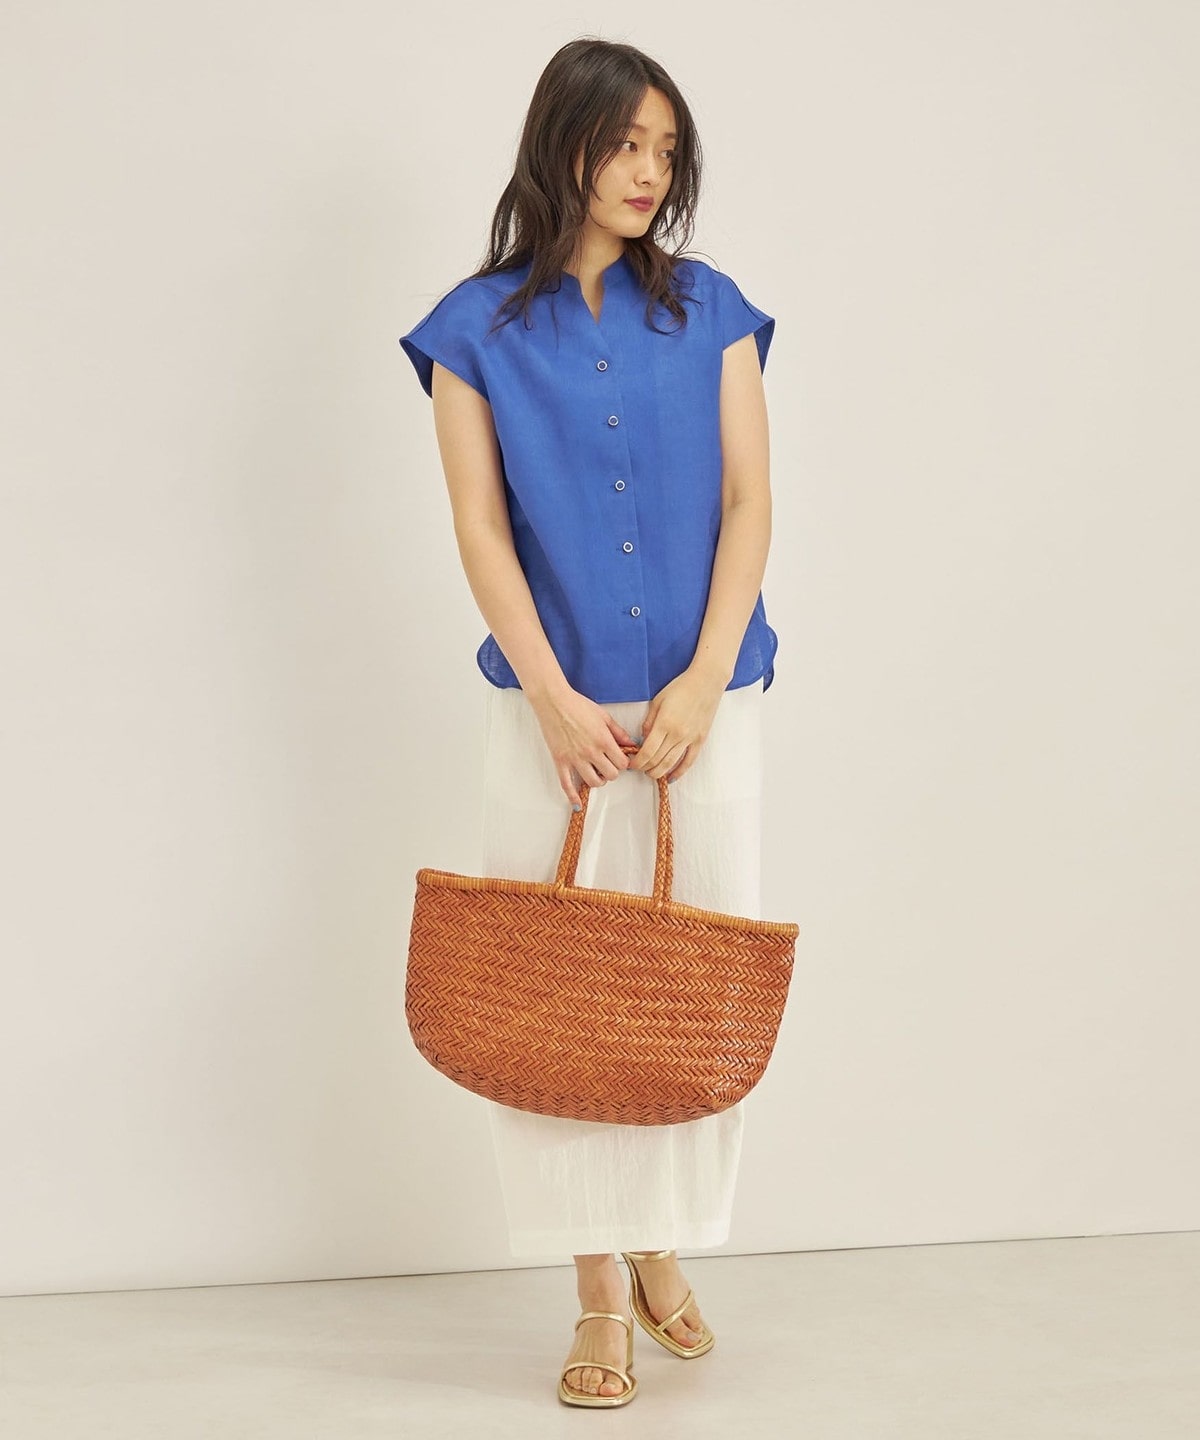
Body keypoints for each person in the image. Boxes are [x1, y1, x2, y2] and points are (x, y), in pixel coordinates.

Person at [398, 36, 779, 1410]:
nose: (648, 172)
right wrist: (554, 701)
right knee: (559, 1009)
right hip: (546, 717)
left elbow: (749, 503)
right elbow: (480, 529)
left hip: (703, 709)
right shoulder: (473, 330)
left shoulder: (713, 310)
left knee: (682, 1000)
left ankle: (658, 1235)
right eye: (625, 143)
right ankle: (600, 1293)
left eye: (667, 151)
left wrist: (705, 679)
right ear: (562, 142)